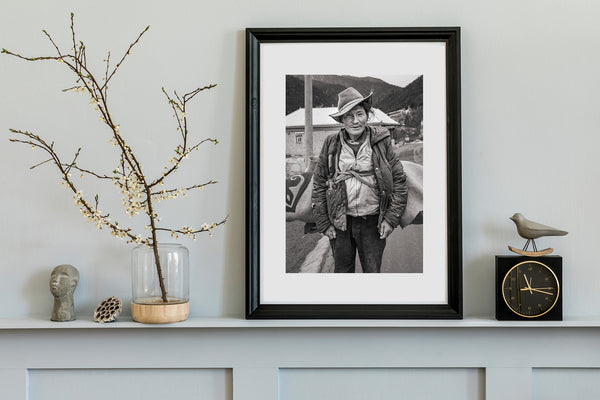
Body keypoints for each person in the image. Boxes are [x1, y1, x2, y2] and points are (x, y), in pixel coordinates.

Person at [312, 87, 408, 273]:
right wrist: (324, 223)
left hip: (372, 222)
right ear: (341, 119)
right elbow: (318, 183)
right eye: (348, 116)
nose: (355, 121)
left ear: (367, 115)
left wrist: (390, 219)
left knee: (372, 272)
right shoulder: (331, 144)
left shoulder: (381, 142)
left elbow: (399, 181)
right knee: (342, 273)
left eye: (359, 114)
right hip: (340, 223)